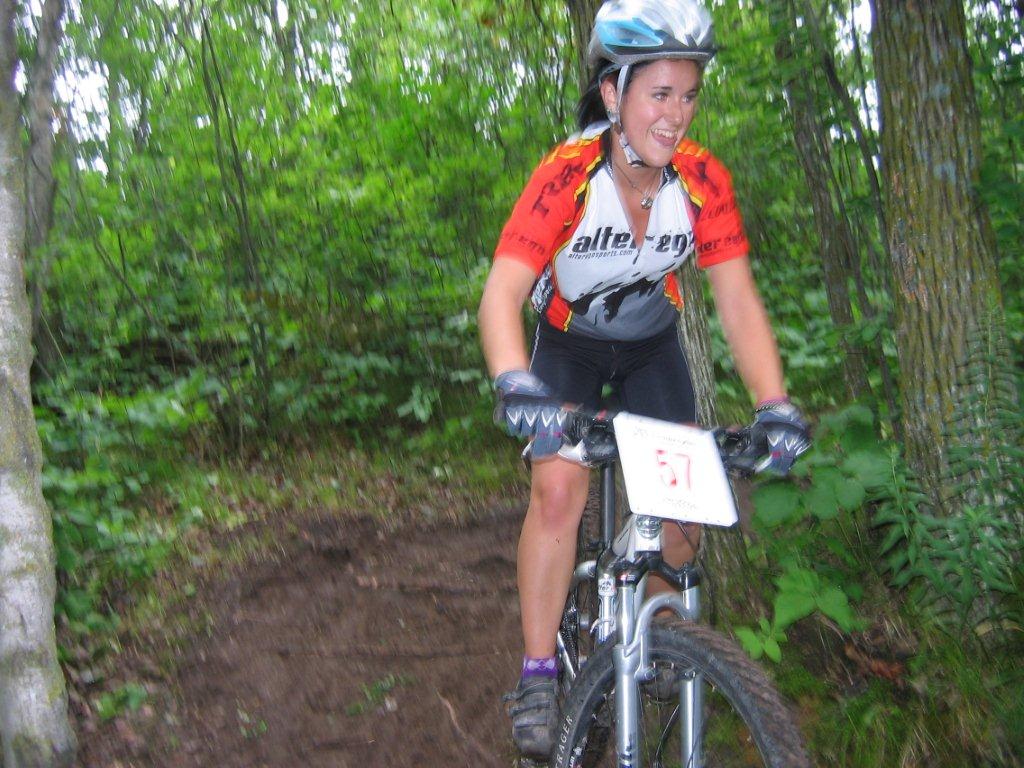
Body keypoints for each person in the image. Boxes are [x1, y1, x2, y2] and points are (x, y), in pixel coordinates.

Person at [477, 0, 811, 760]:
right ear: (613, 93)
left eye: (688, 94)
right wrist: (515, 384)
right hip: (568, 345)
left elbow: (737, 299)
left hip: (650, 346)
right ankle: (538, 673)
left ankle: (655, 643)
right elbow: (501, 294)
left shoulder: (701, 179)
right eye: (660, 93)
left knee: (687, 516)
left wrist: (774, 404)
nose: (677, 114)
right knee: (557, 489)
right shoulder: (567, 175)